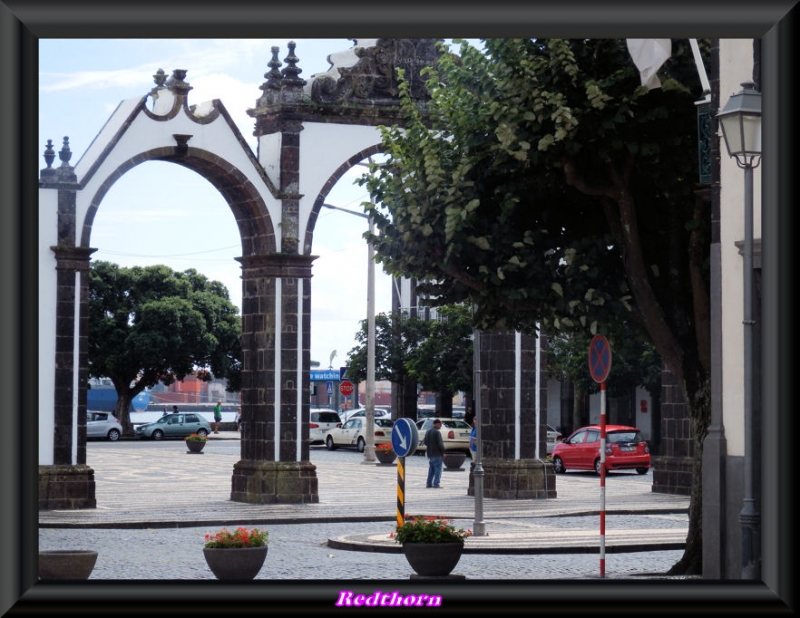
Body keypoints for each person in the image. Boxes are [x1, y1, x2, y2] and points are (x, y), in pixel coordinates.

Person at [423, 418, 446, 488]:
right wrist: (443, 452)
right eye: (440, 425)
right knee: (438, 469)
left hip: (430, 453)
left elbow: (425, 442)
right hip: (437, 453)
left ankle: (428, 483)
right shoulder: (437, 432)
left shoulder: (428, 431)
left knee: (431, 470)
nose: (440, 426)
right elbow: (440, 443)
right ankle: (436, 484)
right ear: (436, 424)